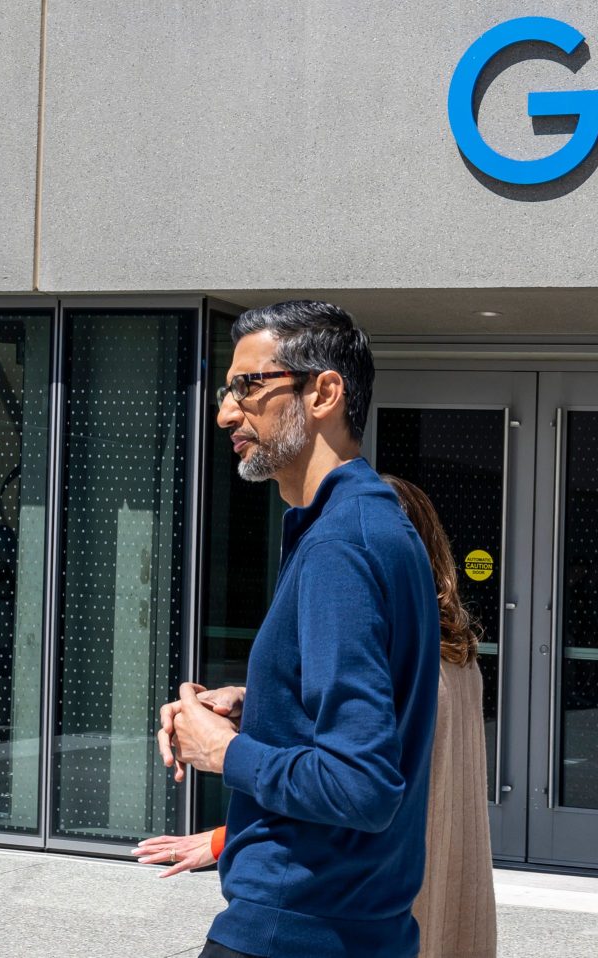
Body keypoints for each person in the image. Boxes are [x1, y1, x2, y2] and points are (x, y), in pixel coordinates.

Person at [153, 301, 441, 958]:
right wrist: (262, 705)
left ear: (324, 393)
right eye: (227, 391)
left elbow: (362, 785)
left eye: (247, 387)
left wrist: (225, 751)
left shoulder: (339, 546)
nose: (227, 413)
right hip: (352, 926)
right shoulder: (370, 524)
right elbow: (369, 719)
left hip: (293, 927)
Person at [138, 476, 498, 958]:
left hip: (376, 898)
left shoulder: (420, 667)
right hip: (424, 892)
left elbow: (362, 785)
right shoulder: (454, 656)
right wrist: (256, 702)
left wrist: (226, 765)